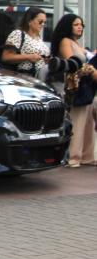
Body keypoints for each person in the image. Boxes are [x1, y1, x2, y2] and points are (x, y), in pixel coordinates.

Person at [51, 14, 97, 168]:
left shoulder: (77, 43)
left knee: (88, 121)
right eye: (76, 24)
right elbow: (71, 63)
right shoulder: (65, 41)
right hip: (74, 86)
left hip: (86, 85)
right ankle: (74, 157)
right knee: (77, 121)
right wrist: (91, 69)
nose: (80, 27)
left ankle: (87, 156)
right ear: (68, 26)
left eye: (81, 25)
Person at [1, 7, 50, 78]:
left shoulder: (39, 37)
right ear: (29, 21)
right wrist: (29, 57)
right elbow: (6, 57)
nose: (43, 24)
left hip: (40, 78)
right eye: (40, 21)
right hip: (25, 77)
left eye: (44, 22)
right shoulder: (18, 34)